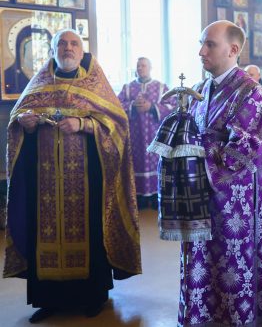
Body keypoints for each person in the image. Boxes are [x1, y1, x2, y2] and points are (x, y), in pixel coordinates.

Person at [4, 29, 141, 323]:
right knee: (43, 232)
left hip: (88, 180)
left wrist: (83, 125)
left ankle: (92, 296)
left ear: (82, 50)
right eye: (62, 44)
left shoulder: (95, 84)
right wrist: (26, 124)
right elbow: (17, 122)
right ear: (52, 50)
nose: (68, 48)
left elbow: (117, 125)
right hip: (44, 182)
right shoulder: (39, 85)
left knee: (90, 231)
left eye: (74, 44)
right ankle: (47, 300)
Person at [181, 20, 262, 326]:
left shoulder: (253, 95)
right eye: (201, 44)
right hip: (200, 203)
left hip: (235, 210)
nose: (201, 51)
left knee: (233, 274)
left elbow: (244, 152)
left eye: (209, 44)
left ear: (233, 49)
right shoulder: (200, 90)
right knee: (201, 269)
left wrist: (196, 152)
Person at [118, 57, 175, 208]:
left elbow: (173, 106)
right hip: (134, 136)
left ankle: (157, 196)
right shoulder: (128, 88)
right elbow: (116, 105)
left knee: (157, 163)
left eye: (143, 65)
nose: (140, 68)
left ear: (150, 68)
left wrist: (152, 107)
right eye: (138, 66)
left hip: (156, 135)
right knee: (136, 163)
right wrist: (132, 105)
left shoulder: (161, 87)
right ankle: (139, 198)